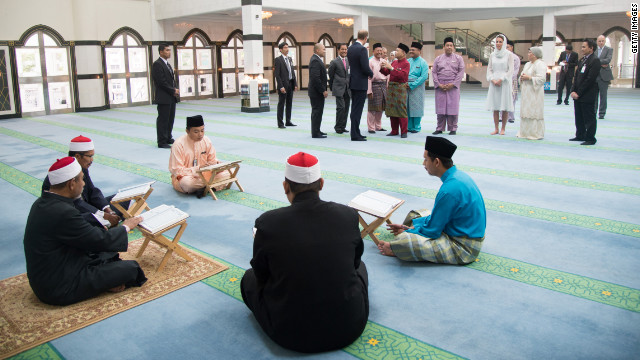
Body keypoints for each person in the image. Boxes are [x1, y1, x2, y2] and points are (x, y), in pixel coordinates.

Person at [241, 152, 369, 353]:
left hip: (291, 334)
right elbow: (354, 263)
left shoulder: (268, 223)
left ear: (285, 186)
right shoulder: (348, 215)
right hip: (349, 326)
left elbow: (261, 274)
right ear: (322, 184)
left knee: (247, 279)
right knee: (360, 267)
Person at [24, 157, 146, 306]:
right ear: (71, 184)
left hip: (55, 269)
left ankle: (106, 279)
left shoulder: (42, 203)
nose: (83, 184)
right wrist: (126, 226)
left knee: (107, 253)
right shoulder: (62, 212)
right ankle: (107, 283)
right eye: (82, 180)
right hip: (59, 287)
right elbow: (101, 240)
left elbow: (86, 238)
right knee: (131, 269)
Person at [378, 136, 486, 264]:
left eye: (425, 159)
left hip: (463, 247)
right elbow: (437, 219)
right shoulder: (458, 176)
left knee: (404, 242)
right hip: (457, 229)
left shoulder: (449, 190)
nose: (423, 164)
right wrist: (409, 227)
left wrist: (409, 231)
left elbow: (433, 231)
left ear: (437, 162)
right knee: (416, 215)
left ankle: (395, 248)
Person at [42, 135, 123, 229]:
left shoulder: (81, 168)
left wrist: (107, 209)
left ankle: (108, 221)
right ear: (77, 156)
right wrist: (103, 215)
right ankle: (107, 222)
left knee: (123, 200)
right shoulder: (63, 174)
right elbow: (76, 203)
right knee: (94, 219)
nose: (92, 160)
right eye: (90, 156)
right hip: (72, 213)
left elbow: (92, 191)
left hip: (87, 206)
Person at [169, 115, 230, 195]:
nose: (200, 134)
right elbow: (177, 170)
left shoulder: (206, 140)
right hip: (188, 177)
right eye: (196, 132)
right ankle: (211, 186)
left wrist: (217, 164)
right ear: (187, 131)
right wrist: (198, 169)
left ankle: (203, 187)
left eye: (202, 130)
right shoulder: (178, 145)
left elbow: (212, 160)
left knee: (229, 172)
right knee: (187, 184)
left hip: (206, 174)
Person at [570, 39, 601, 146]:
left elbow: (590, 79)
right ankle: (580, 135)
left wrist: (579, 92)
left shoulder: (595, 60)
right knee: (579, 116)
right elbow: (577, 76)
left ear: (591, 48)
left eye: (584, 47)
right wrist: (573, 90)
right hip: (577, 94)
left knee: (589, 117)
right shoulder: (582, 59)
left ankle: (590, 138)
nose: (582, 49)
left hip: (587, 94)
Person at [432, 37, 465, 135]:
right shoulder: (438, 59)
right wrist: (438, 84)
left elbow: (461, 72)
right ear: (444, 47)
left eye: (451, 45)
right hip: (440, 86)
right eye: (447, 45)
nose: (449, 47)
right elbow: (434, 72)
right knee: (440, 107)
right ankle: (439, 128)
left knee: (453, 107)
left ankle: (453, 128)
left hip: (453, 86)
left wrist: (453, 84)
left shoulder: (459, 58)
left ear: (453, 47)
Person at [347, 30, 374, 141]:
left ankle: (356, 131)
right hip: (361, 83)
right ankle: (355, 134)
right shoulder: (362, 49)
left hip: (353, 82)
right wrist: (370, 73)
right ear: (365, 38)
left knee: (354, 108)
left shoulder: (351, 48)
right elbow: (364, 66)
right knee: (357, 110)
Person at [486, 34, 514, 135]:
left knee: (504, 106)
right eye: (496, 42)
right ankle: (496, 128)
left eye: (500, 42)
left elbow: (511, 70)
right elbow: (489, 69)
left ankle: (503, 129)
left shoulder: (509, 54)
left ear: (504, 43)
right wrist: (492, 79)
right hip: (494, 83)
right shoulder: (492, 55)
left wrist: (502, 79)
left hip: (505, 83)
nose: (498, 43)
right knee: (496, 106)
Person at [380, 43, 410, 138]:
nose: (395, 52)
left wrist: (391, 68)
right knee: (392, 109)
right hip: (392, 88)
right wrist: (383, 66)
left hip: (400, 88)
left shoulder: (406, 63)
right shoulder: (394, 62)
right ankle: (394, 130)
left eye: (397, 50)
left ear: (403, 52)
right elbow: (386, 73)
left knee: (401, 109)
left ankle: (404, 131)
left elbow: (403, 76)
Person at [152, 44, 179, 149]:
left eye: (169, 50)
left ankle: (168, 137)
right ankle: (162, 141)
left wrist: (174, 90)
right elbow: (161, 82)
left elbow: (171, 80)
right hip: (163, 97)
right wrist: (173, 90)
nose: (169, 52)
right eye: (167, 50)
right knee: (163, 119)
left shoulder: (167, 64)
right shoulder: (157, 64)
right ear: (161, 52)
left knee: (170, 118)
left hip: (171, 97)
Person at [517, 47, 547, 140]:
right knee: (526, 110)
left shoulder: (540, 64)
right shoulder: (527, 64)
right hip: (526, 92)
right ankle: (525, 132)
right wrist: (521, 78)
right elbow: (522, 74)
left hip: (535, 92)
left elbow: (542, 79)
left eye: (530, 53)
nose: (528, 54)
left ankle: (535, 133)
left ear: (535, 55)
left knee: (534, 111)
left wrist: (530, 78)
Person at [406, 42, 429, 133]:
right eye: (410, 50)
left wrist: (412, 84)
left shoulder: (423, 62)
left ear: (419, 51)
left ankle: (416, 127)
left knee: (416, 107)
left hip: (417, 88)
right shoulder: (407, 61)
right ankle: (409, 126)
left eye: (413, 50)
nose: (411, 51)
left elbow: (423, 77)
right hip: (406, 87)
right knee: (407, 106)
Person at [328, 43, 350, 134]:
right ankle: (338, 127)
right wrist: (334, 86)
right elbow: (331, 75)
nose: (344, 51)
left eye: (345, 49)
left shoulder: (349, 60)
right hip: (338, 88)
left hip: (348, 88)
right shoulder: (334, 62)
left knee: (346, 108)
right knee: (341, 108)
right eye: (342, 49)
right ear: (338, 50)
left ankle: (343, 126)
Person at [367, 43, 389, 134]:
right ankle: (371, 128)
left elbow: (388, 75)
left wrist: (387, 86)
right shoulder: (370, 61)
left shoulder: (384, 61)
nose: (379, 52)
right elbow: (368, 78)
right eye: (378, 51)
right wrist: (369, 90)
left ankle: (378, 126)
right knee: (372, 108)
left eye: (381, 51)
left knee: (380, 108)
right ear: (373, 51)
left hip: (383, 85)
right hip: (374, 85)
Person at [274, 42, 298, 128]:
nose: (287, 49)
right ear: (280, 49)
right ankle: (280, 123)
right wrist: (281, 86)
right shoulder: (278, 60)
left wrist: (295, 84)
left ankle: (288, 121)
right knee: (281, 104)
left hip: (290, 84)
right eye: (285, 48)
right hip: (283, 86)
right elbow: (277, 75)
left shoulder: (290, 59)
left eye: (287, 47)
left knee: (289, 103)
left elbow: (292, 72)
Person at [595, 35, 613, 119]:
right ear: (597, 41)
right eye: (599, 41)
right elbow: (590, 59)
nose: (601, 42)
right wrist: (601, 63)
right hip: (594, 76)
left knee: (603, 95)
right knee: (594, 95)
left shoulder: (609, 49)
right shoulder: (593, 49)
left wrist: (596, 62)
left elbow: (608, 60)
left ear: (605, 41)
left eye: (602, 41)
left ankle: (602, 113)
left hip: (604, 76)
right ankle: (593, 111)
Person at [505, 40, 521, 124]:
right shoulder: (502, 57)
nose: (506, 49)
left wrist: (509, 78)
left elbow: (516, 71)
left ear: (512, 47)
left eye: (507, 47)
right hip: (503, 81)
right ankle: (501, 116)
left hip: (512, 81)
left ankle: (511, 117)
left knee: (512, 99)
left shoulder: (516, 58)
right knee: (502, 98)